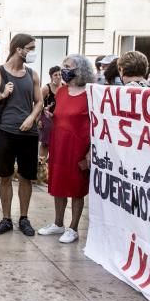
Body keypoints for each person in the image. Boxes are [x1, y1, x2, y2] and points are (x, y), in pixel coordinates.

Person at [0, 33, 43, 236]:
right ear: (18, 49)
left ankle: (24, 218)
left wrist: (32, 118)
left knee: (26, 177)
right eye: (30, 48)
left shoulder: (32, 74)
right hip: (5, 131)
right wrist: (2, 95)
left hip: (29, 134)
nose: (32, 52)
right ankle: (6, 219)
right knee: (5, 176)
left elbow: (39, 101)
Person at [37, 55, 93, 244]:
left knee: (77, 188)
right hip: (59, 144)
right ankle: (58, 223)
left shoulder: (90, 93)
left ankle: (74, 227)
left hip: (78, 147)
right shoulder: (61, 92)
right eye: (63, 66)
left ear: (80, 70)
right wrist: (51, 116)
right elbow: (63, 116)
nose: (63, 70)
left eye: (68, 66)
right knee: (58, 185)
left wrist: (90, 150)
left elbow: (96, 124)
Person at [39, 66, 61, 162]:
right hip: (47, 118)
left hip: (59, 118)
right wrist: (39, 119)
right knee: (45, 143)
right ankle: (41, 164)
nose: (58, 77)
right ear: (51, 77)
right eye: (55, 75)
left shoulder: (64, 88)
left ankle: (53, 164)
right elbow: (38, 103)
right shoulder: (46, 88)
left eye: (60, 74)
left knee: (57, 142)